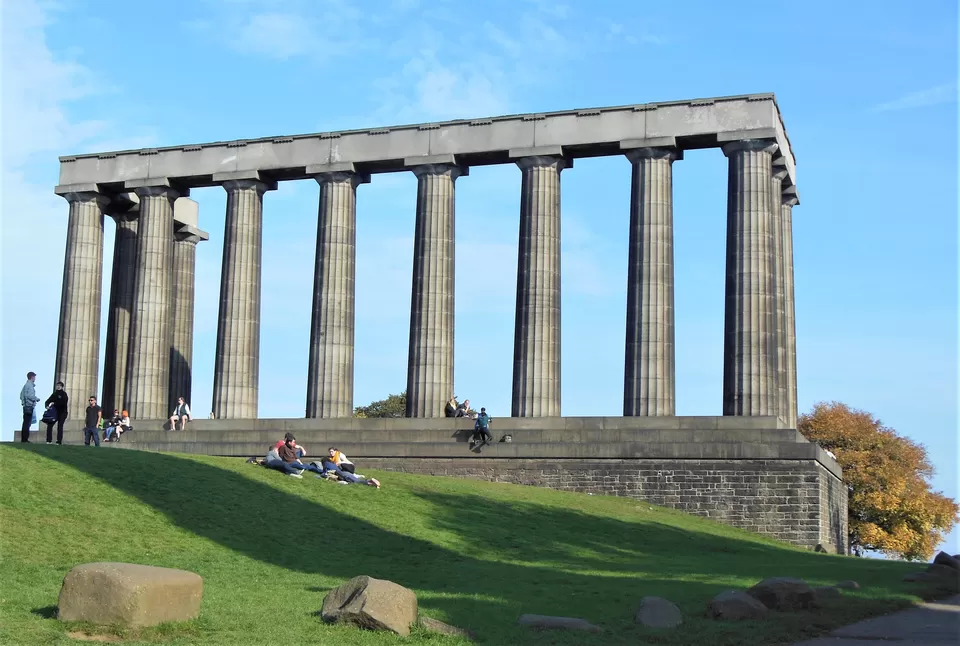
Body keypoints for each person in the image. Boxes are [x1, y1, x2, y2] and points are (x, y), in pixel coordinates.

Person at [19, 371, 40, 443]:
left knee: (26, 422)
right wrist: (36, 399)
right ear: (32, 377)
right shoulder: (30, 385)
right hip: (29, 406)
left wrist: (23, 403)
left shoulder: (26, 385)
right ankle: (25, 439)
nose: (35, 379)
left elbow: (21, 395)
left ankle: (24, 438)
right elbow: (30, 396)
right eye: (34, 377)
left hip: (26, 406)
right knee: (27, 423)